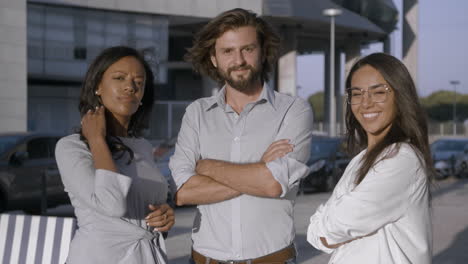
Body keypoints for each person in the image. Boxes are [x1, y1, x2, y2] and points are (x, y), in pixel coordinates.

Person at [169, 8, 313, 264]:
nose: (239, 60)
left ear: (262, 52)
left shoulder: (293, 110)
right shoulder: (197, 113)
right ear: (213, 58)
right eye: (227, 51)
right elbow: (185, 192)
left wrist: (207, 167)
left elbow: (272, 184)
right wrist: (259, 170)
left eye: (248, 49)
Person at [307, 53, 434, 264]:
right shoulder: (361, 160)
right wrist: (331, 226)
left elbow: (335, 226)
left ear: (400, 96)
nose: (365, 103)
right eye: (357, 94)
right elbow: (317, 235)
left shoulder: (402, 159)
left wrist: (330, 223)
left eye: (378, 92)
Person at [55, 46, 174, 264]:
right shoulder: (72, 147)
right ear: (98, 86)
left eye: (139, 82)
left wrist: (164, 216)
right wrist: (97, 140)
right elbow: (112, 205)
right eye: (119, 78)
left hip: (147, 255)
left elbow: (148, 208)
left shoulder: (144, 146)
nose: (130, 87)